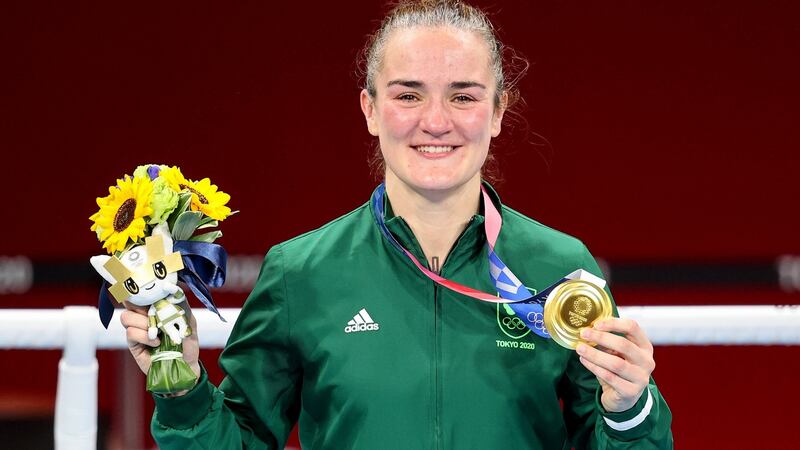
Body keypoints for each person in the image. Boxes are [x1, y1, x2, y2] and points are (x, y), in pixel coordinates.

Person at [121, 1, 673, 448]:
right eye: (408, 95)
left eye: (463, 96)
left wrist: (629, 409)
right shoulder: (299, 273)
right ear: (369, 109)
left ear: (499, 112)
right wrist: (186, 389)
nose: (435, 121)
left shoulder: (559, 268)